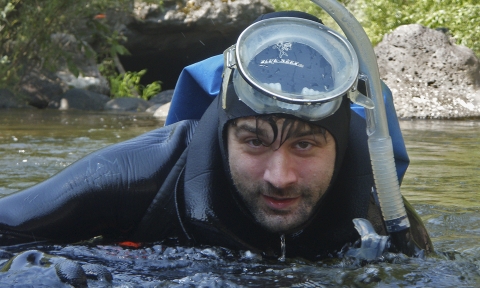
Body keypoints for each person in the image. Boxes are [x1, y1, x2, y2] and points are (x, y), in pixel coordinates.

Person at [0, 11, 431, 260]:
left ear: (341, 144)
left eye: (305, 144)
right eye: (255, 141)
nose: (280, 177)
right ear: (224, 132)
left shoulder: (378, 207)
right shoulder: (137, 176)